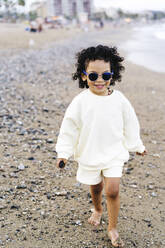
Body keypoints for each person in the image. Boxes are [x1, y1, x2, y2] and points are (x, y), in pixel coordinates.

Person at [55, 45, 147, 247]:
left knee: (112, 190)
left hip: (114, 152)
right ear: (83, 76)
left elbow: (130, 123)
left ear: (112, 75)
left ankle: (112, 228)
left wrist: (137, 145)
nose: (99, 80)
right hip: (90, 151)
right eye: (93, 75)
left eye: (105, 75)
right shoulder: (80, 102)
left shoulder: (120, 100)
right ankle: (97, 209)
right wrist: (64, 153)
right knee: (96, 187)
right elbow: (69, 128)